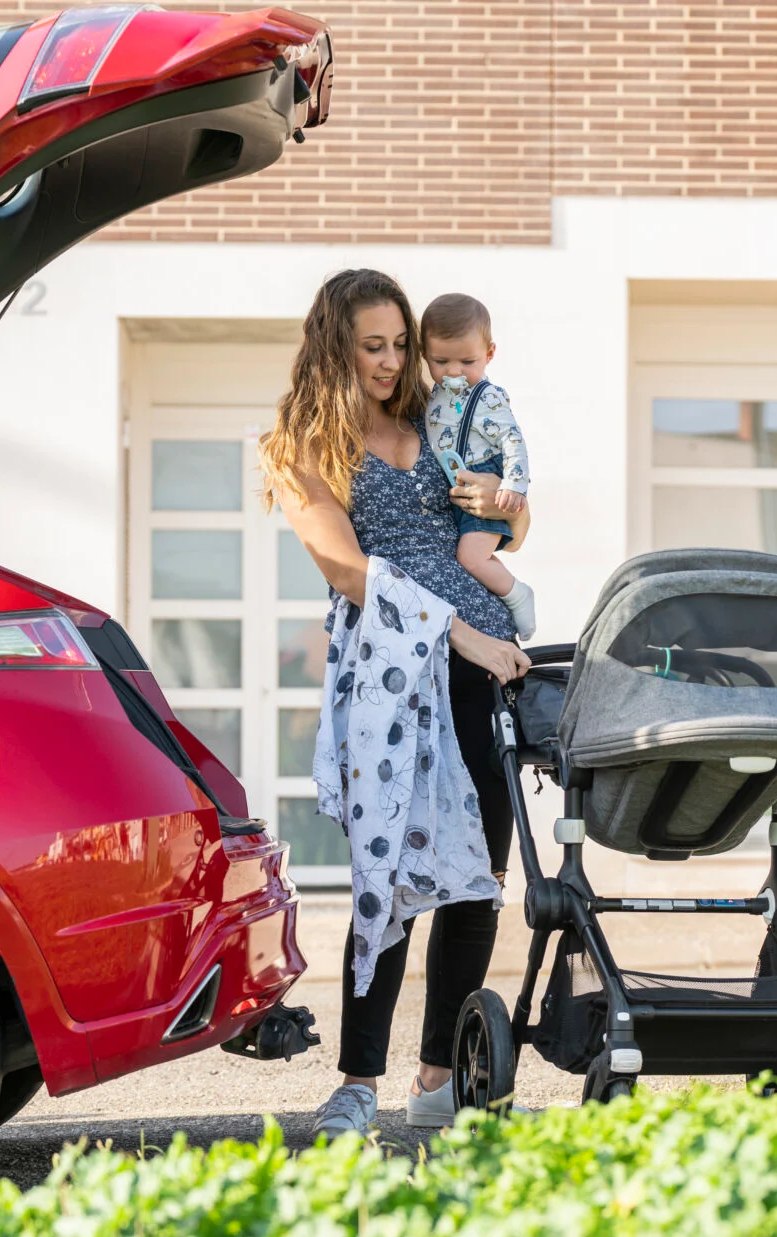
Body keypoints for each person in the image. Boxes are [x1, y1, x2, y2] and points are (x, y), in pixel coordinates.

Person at [259, 267, 532, 1138]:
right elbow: (346, 568)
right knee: (390, 874)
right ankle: (357, 1081)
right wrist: (462, 632)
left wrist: (504, 506)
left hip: (486, 665)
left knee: (478, 882)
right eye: (369, 346)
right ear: (334, 347)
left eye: (398, 344)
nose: (389, 362)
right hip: (397, 680)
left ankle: (439, 1077)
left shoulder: (439, 415)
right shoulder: (304, 447)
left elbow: (508, 521)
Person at [419, 292, 536, 640]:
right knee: (470, 554)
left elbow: (513, 440)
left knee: (471, 558)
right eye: (441, 362)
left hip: (484, 476)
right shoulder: (433, 395)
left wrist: (512, 485)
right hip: (457, 480)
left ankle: (517, 595)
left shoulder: (487, 397)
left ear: (489, 354)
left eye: (467, 362)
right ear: (425, 355)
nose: (454, 372)